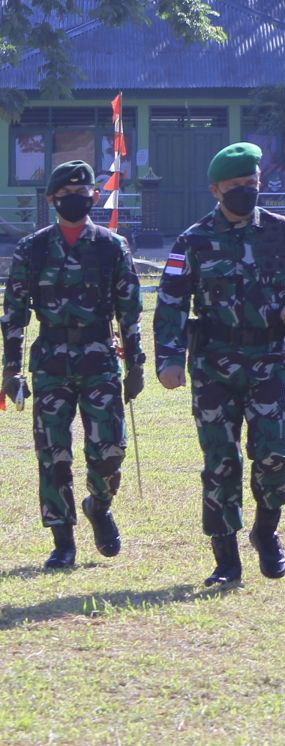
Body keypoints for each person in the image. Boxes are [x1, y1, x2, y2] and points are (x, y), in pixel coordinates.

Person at [154, 142, 285, 588]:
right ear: (215, 189)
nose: (246, 192)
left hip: (270, 359)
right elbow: (171, 300)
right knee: (220, 461)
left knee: (273, 455)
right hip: (214, 364)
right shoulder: (192, 241)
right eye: (236, 186)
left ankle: (266, 532)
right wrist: (169, 359)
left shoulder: (284, 231)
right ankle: (226, 557)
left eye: (251, 184)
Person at [1, 160, 144, 569]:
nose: (77, 200)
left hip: (99, 356)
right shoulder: (33, 248)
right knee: (53, 452)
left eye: (83, 194)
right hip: (51, 360)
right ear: (52, 200)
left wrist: (134, 364)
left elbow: (129, 310)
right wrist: (11, 369)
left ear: (93, 197)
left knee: (109, 448)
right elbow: (14, 313)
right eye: (67, 196)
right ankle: (63, 540)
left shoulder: (112, 247)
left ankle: (98, 505)